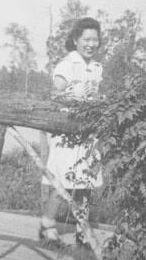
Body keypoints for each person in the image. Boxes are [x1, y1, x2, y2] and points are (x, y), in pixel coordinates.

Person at [39, 17, 103, 245]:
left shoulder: (96, 67)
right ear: (76, 40)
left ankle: (81, 228)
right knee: (62, 182)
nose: (91, 44)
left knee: (85, 183)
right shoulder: (67, 64)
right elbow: (55, 95)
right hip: (66, 133)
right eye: (86, 39)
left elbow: (92, 97)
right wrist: (75, 97)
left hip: (87, 133)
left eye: (95, 40)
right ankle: (47, 224)